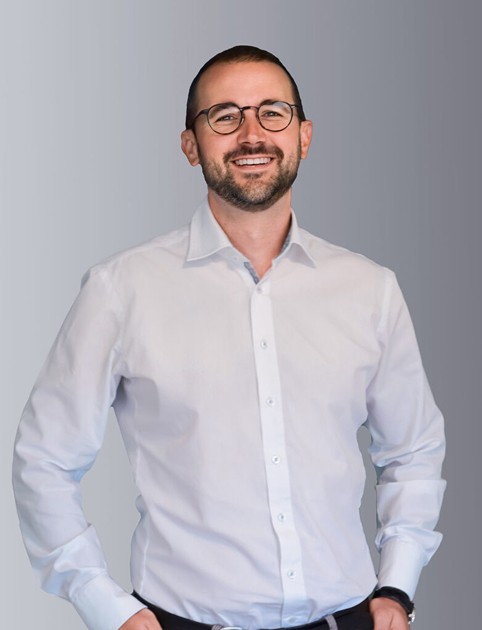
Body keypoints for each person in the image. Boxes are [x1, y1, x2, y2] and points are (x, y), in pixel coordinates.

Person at [13, 45, 446, 630]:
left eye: (273, 112)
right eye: (224, 116)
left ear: (304, 136)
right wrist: (106, 607)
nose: (251, 133)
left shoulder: (370, 289)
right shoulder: (121, 289)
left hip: (348, 619)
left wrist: (397, 585)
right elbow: (44, 461)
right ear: (190, 146)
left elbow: (413, 451)